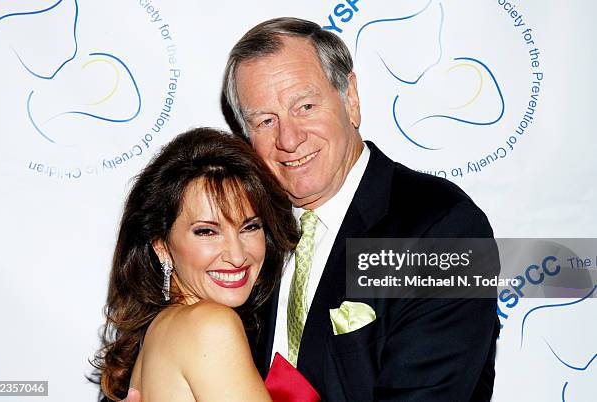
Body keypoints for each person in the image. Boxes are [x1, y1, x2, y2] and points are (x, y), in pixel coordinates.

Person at [121, 17, 499, 401]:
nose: (289, 138)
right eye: (266, 120)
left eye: (305, 106)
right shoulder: (248, 236)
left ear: (350, 98)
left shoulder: (440, 231)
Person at [92, 127, 320, 401]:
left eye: (249, 227)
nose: (237, 256)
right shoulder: (210, 326)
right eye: (206, 232)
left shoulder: (161, 331)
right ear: (161, 245)